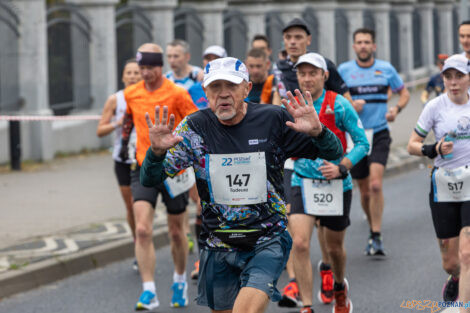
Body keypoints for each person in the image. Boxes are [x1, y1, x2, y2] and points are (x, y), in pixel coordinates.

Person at [139, 56, 343, 313]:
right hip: (218, 244)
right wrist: (155, 154)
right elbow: (150, 180)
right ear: (206, 92)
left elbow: (333, 153)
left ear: (246, 89)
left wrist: (319, 132)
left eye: (231, 86)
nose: (223, 95)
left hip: (266, 240)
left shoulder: (273, 120)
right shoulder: (194, 128)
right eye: (215, 87)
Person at [274, 17, 351, 308]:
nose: (292, 42)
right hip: (293, 161)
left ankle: (331, 271)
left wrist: (340, 157)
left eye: (297, 37)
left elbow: (343, 103)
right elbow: (271, 102)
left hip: (326, 157)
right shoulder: (277, 68)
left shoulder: (326, 65)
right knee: (298, 235)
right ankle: (300, 293)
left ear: (307, 39)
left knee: (329, 238)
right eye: (288, 37)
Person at [120, 43, 198, 310]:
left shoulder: (177, 93)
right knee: (142, 229)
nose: (144, 73)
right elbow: (129, 123)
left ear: (160, 67)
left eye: (149, 68)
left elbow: (195, 123)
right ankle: (149, 290)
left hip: (173, 169)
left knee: (177, 232)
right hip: (143, 166)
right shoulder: (131, 93)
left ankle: (179, 281)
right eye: (141, 68)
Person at [289, 53, 368, 313]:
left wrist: (342, 166)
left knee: (334, 249)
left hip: (336, 184)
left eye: (313, 73)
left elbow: (363, 143)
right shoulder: (290, 104)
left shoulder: (340, 104)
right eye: (303, 73)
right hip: (301, 180)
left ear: (324, 75)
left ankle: (338, 286)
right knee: (299, 242)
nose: (307, 78)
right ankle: (307, 305)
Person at [338, 28, 410, 256]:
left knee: (376, 184)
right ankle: (372, 225)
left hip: (379, 132)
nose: (363, 46)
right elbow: (336, 97)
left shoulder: (386, 69)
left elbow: (404, 93)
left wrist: (396, 109)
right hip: (356, 135)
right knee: (365, 191)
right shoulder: (344, 71)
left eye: (367, 42)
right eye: (359, 42)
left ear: (374, 46)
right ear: (354, 46)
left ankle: (376, 235)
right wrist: (350, 106)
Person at [407, 53, 470, 306]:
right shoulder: (434, 107)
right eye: (448, 77)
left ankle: (463, 307)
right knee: (451, 262)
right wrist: (432, 149)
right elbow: (412, 144)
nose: (453, 82)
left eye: (459, 76)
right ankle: (455, 279)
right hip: (443, 185)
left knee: (467, 254)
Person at [96, 59, 141, 270]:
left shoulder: (147, 96)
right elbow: (100, 130)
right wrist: (117, 122)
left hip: (143, 159)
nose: (132, 76)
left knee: (142, 205)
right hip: (122, 159)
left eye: (136, 72)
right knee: (131, 206)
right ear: (123, 77)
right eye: (128, 73)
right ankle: (138, 244)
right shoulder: (115, 100)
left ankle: (144, 241)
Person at [166, 39, 208, 109]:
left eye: (176, 56)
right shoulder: (166, 79)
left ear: (187, 56)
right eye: (169, 56)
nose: (172, 60)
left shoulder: (199, 75)